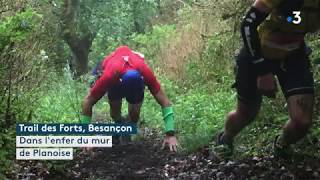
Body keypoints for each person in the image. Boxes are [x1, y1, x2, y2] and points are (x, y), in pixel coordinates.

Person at [216, 0, 319, 158]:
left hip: (293, 56)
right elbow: (248, 24)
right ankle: (225, 138)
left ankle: (281, 144)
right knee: (246, 113)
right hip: (257, 53)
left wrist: (289, 18)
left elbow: (295, 20)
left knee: (302, 121)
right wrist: (262, 71)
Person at [81, 46, 178, 152]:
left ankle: (129, 126)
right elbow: (88, 101)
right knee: (115, 111)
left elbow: (165, 102)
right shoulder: (109, 75)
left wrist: (170, 134)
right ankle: (118, 125)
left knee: (135, 114)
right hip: (116, 81)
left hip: (133, 81)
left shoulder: (144, 71)